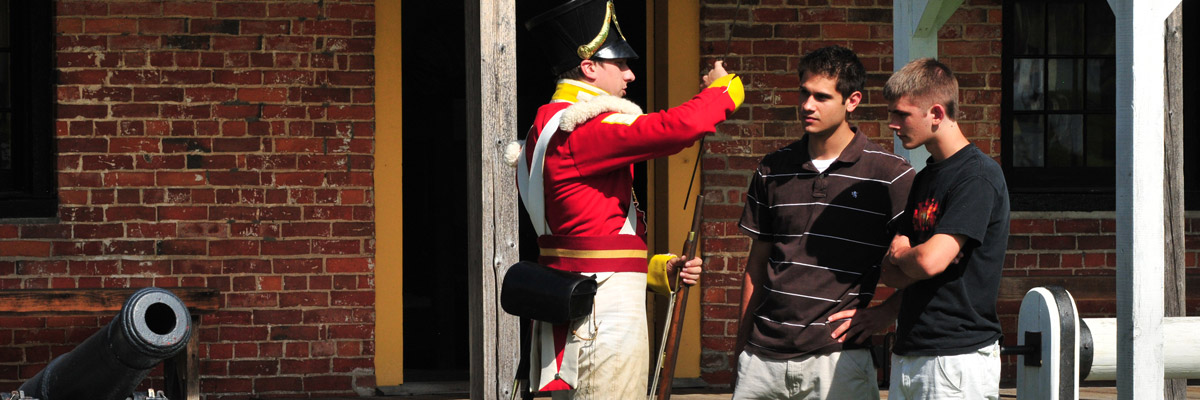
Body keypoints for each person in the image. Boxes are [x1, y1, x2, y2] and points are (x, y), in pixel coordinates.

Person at [512, 0, 743, 398]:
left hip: (581, 298)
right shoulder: (582, 125)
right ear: (589, 68)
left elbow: (583, 235)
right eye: (620, 64)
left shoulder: (545, 126)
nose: (630, 74)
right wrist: (724, 89)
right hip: (602, 312)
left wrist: (655, 270)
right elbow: (677, 127)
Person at [733, 45, 914, 400]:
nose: (806, 105)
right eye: (803, 92)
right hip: (761, 360)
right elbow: (757, 263)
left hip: (838, 362)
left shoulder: (889, 176)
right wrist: (741, 349)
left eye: (820, 96)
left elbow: (927, 263)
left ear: (852, 100)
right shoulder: (772, 168)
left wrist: (886, 314)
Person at [848, 57, 1010, 400]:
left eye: (901, 114)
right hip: (912, 352)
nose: (892, 124)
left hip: (956, 361)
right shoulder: (925, 178)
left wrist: (907, 255)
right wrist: (910, 261)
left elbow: (928, 262)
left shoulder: (977, 176)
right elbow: (893, 274)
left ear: (936, 113)